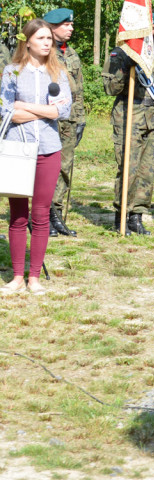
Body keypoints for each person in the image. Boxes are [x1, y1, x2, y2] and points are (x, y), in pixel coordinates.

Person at [0, 19, 72, 295]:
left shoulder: (59, 73)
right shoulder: (12, 72)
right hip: (18, 149)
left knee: (41, 215)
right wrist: (42, 109)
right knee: (18, 216)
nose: (46, 43)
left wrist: (24, 105)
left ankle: (34, 278)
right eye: (41, 38)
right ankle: (17, 276)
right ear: (27, 41)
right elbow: (8, 112)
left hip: (48, 150)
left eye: (49, 39)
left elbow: (61, 113)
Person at [102, 46, 154, 235]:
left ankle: (136, 216)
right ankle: (121, 216)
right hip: (129, 116)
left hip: (151, 119)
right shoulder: (119, 56)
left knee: (146, 172)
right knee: (128, 169)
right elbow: (109, 88)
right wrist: (124, 68)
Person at [44, 8, 85, 238]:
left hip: (69, 120)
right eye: (66, 25)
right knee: (48, 168)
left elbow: (78, 90)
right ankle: (42, 216)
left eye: (71, 25)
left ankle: (57, 215)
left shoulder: (71, 54)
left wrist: (81, 118)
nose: (71, 28)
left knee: (65, 168)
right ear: (52, 27)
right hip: (49, 118)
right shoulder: (43, 52)